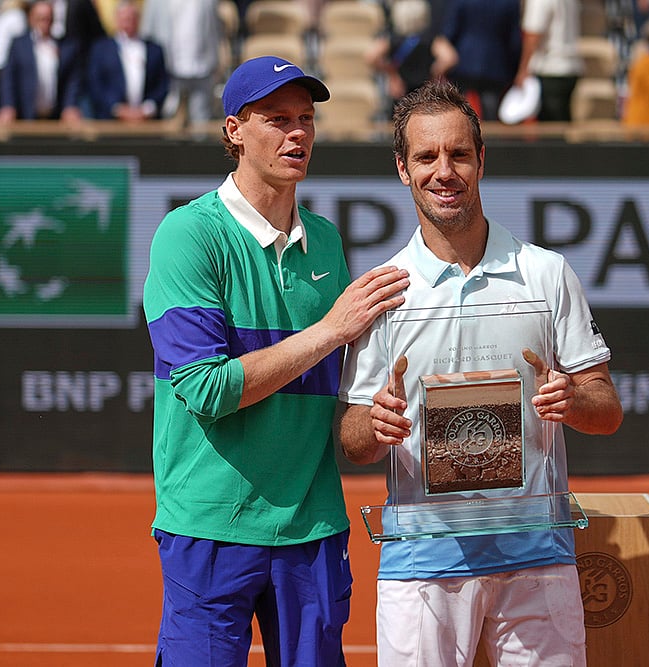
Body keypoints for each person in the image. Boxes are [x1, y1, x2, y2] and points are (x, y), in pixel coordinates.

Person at [336, 81, 623, 666]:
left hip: (537, 558)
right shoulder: (381, 292)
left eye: (458, 153)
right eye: (426, 156)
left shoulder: (547, 275)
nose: (444, 171)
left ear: (481, 159)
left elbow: (606, 408)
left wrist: (572, 399)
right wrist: (378, 423)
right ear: (402, 169)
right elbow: (353, 440)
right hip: (422, 564)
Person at [142, 55, 410, 666]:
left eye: (306, 119)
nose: (297, 134)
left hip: (311, 529)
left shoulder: (328, 242)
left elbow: (347, 390)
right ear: (235, 129)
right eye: (277, 119)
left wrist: (383, 411)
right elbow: (207, 389)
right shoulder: (188, 236)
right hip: (209, 525)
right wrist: (329, 330)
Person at [0, 0, 83, 123]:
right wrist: (8, 105)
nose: (45, 23)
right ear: (31, 19)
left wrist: (70, 106)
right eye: (41, 18)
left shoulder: (66, 47)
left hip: (56, 116)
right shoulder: (19, 45)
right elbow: (9, 77)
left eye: (48, 18)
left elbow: (73, 80)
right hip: (25, 115)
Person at [139, 0, 222, 125]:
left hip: (201, 68)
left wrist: (215, 60)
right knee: (169, 114)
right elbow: (148, 30)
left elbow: (214, 29)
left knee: (201, 118)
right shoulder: (156, 2)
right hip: (169, 68)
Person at [86, 0, 168, 121]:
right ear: (117, 20)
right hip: (111, 121)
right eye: (124, 19)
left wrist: (146, 109)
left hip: (147, 121)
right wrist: (118, 109)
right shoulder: (101, 49)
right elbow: (96, 85)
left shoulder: (154, 50)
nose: (128, 23)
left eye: (131, 18)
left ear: (138, 20)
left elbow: (162, 84)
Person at [440, 0, 521, 121]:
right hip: (495, 62)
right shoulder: (510, 3)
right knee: (491, 109)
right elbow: (514, 40)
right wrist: (515, 68)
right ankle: (491, 138)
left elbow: (450, 30)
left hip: (464, 60)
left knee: (461, 109)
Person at [365, 0, 457, 102]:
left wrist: (391, 72)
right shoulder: (431, 40)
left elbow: (371, 56)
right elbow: (450, 58)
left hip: (400, 92)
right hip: (425, 91)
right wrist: (434, 74)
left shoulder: (393, 40)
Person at [513, 0, 582, 122]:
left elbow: (533, 34)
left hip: (550, 68)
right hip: (569, 66)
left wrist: (523, 69)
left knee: (551, 129)